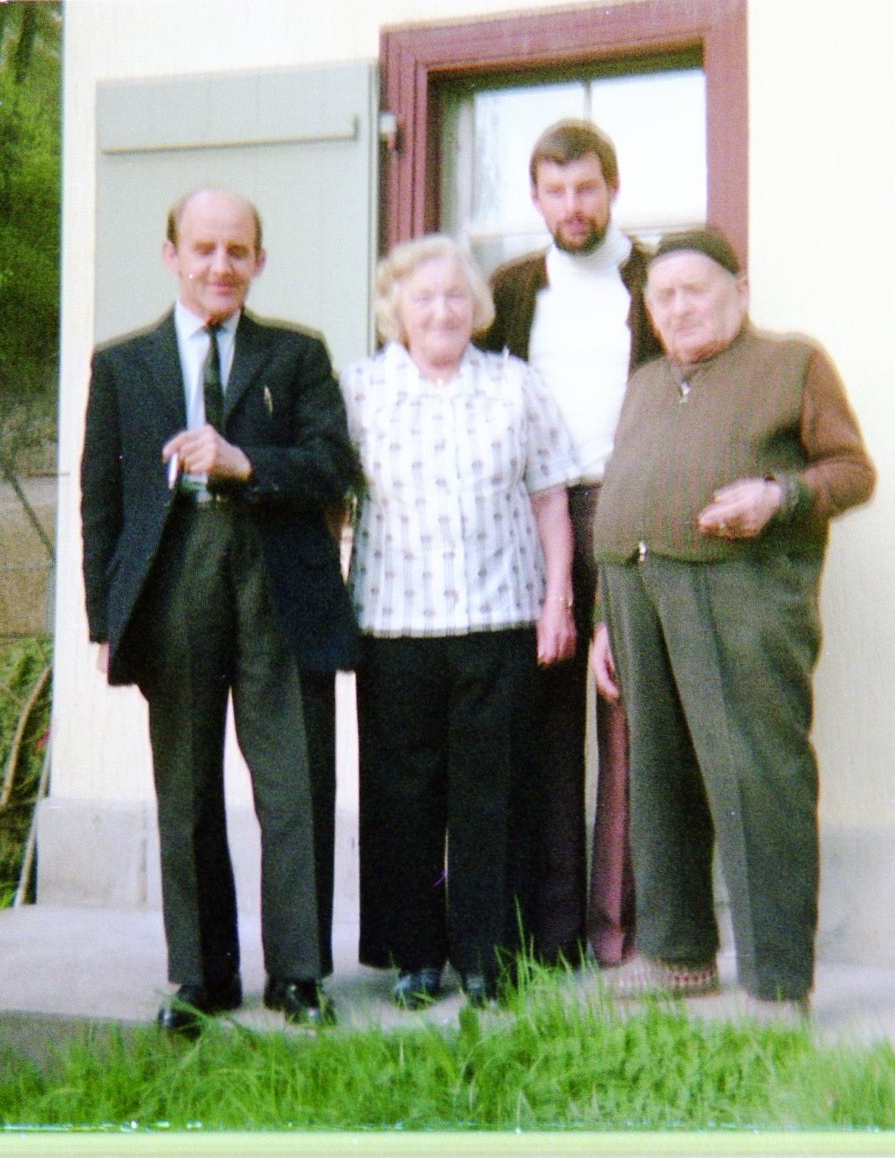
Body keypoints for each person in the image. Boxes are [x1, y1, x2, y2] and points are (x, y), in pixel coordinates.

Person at [81, 187, 357, 1034]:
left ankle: (299, 976)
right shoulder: (122, 365)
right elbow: (101, 504)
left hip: (277, 579)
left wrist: (246, 462)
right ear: (171, 255)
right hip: (175, 579)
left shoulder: (297, 354)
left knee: (294, 781)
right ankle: (202, 977)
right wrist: (106, 621)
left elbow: (333, 467)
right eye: (203, 248)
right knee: (187, 784)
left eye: (237, 250)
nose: (220, 266)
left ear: (259, 260)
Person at [590, 226, 876, 1013]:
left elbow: (853, 471)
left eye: (696, 291)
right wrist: (605, 619)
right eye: (663, 297)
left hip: (740, 594)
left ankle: (777, 983)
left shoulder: (792, 363)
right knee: (660, 779)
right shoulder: (647, 382)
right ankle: (677, 955)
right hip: (638, 593)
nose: (678, 308)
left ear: (740, 293)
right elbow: (630, 486)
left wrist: (779, 495)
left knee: (758, 778)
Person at [342, 234, 579, 1008]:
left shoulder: (516, 386)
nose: (440, 311)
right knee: (401, 796)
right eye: (423, 297)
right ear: (395, 309)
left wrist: (557, 600)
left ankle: (487, 956)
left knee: (495, 797)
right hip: (393, 624)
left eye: (454, 295)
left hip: (499, 617)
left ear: (476, 305)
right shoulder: (361, 389)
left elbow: (550, 498)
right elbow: (331, 505)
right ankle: (414, 956)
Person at [480, 119, 661, 968]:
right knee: (546, 724)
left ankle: (615, 935)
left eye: (586, 188)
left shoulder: (655, 279)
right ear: (536, 197)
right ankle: (552, 936)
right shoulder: (512, 288)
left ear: (612, 188)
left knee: (626, 721)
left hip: (630, 511)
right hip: (539, 518)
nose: (572, 205)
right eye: (555, 191)